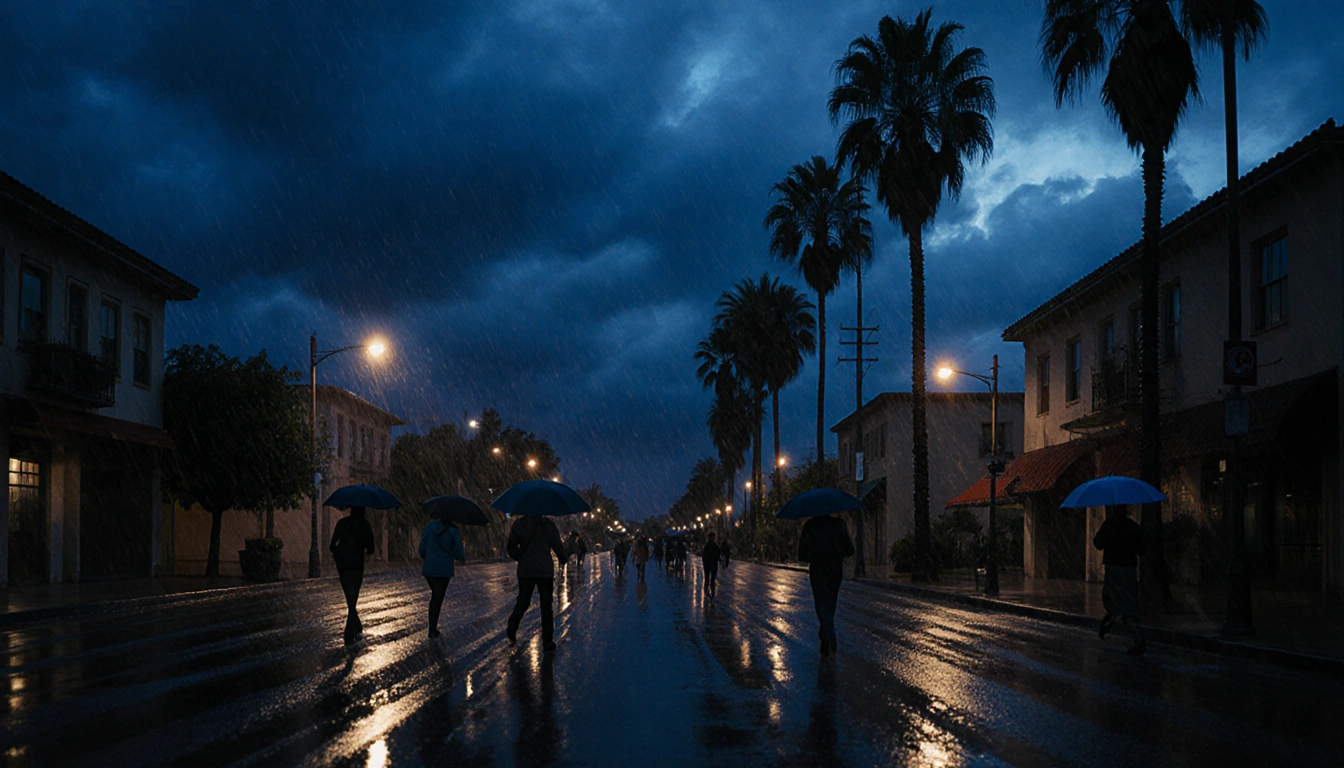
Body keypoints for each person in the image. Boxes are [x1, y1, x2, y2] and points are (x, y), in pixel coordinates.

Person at [506, 514, 569, 652]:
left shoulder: (519, 524)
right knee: (546, 606)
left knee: (523, 600)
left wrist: (521, 557)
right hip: (544, 571)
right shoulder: (548, 525)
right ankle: (547, 641)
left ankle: (512, 626)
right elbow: (557, 545)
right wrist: (563, 558)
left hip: (525, 571)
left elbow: (510, 548)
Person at [798, 513, 854, 656]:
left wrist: (814, 554)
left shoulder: (809, 526)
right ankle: (827, 634)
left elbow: (802, 554)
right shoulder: (839, 524)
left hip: (818, 569)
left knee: (821, 602)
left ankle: (828, 635)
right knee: (830, 601)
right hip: (835, 569)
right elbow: (849, 550)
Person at [1093, 505, 1147, 656]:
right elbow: (1141, 549)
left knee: (1115, 601)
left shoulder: (1109, 524)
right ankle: (1117, 623)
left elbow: (1098, 543)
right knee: (1127, 603)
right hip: (1129, 569)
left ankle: (1134, 635)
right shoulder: (1132, 526)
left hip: (1114, 568)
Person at [329, 506, 376, 642]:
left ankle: (354, 624)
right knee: (353, 594)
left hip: (342, 563)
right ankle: (351, 628)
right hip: (357, 563)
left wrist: (339, 552)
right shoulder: (365, 525)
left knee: (348, 593)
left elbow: (332, 545)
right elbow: (371, 548)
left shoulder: (342, 523)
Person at [418, 511, 466, 638]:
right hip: (444, 570)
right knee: (438, 597)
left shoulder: (430, 527)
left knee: (435, 595)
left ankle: (432, 628)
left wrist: (427, 557)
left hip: (430, 569)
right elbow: (459, 551)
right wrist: (458, 557)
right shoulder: (454, 530)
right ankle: (432, 629)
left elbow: (422, 548)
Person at [702, 532, 721, 598]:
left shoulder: (706, 546)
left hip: (707, 564)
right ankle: (712, 591)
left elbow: (704, 556)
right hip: (713, 564)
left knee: (707, 577)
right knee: (712, 578)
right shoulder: (715, 546)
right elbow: (718, 554)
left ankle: (707, 591)